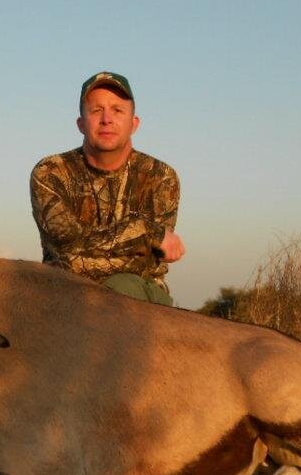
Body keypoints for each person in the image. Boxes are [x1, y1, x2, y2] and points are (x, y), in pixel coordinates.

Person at [30, 71, 186, 305]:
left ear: (134, 124)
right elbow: (65, 254)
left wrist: (83, 253)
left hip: (139, 298)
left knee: (123, 286)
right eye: (96, 110)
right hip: (64, 293)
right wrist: (144, 231)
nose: (106, 119)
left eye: (117, 110)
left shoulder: (161, 177)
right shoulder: (50, 173)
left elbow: (144, 264)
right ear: (81, 124)